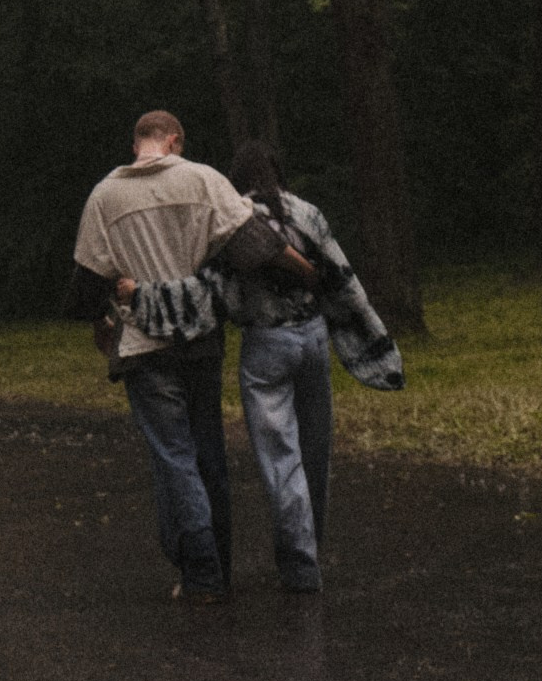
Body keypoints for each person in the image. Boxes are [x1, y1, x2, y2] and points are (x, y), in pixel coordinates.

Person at [121, 139, 403, 594]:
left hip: (265, 347)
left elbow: (205, 295)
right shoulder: (307, 214)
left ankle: (300, 565)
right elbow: (344, 281)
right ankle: (310, 553)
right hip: (312, 339)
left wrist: (140, 297)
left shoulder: (232, 221)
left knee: (281, 460)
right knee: (315, 454)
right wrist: (375, 350)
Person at [64, 110, 315, 603]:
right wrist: (309, 271)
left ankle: (200, 573)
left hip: (143, 350)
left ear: (138, 143)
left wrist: (100, 322)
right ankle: (217, 565)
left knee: (174, 458)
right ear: (174, 141)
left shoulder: (104, 196)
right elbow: (258, 247)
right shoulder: (204, 180)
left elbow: (87, 284)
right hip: (200, 340)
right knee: (209, 454)